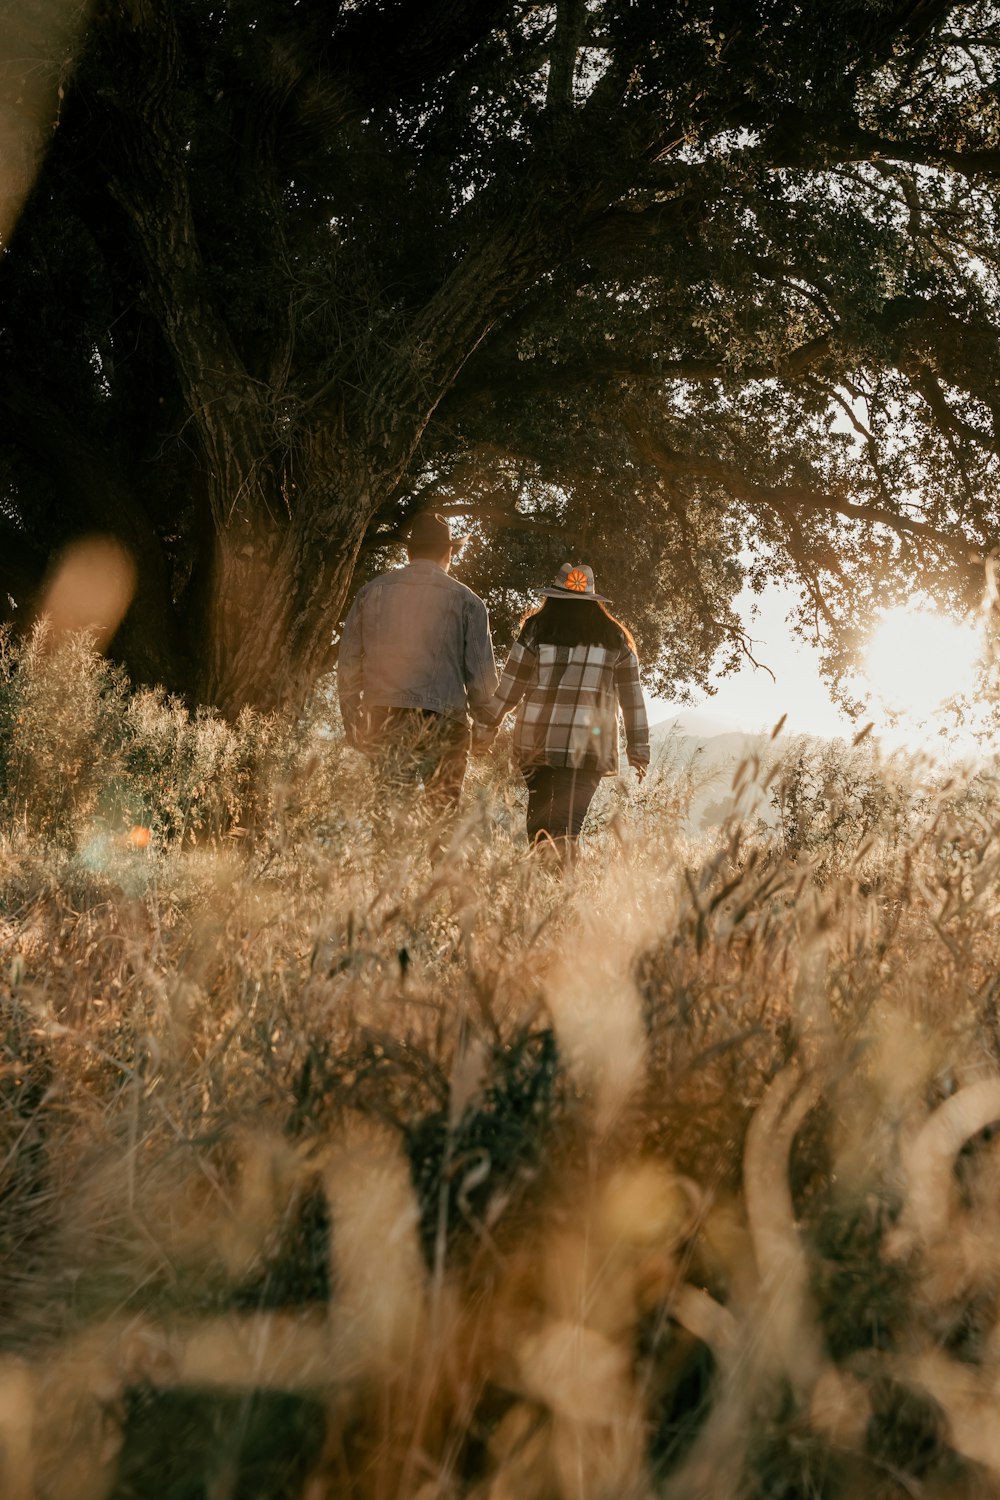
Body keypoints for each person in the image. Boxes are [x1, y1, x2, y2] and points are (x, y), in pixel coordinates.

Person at [475, 562, 649, 861]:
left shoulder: (536, 629)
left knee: (540, 827)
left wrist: (484, 731)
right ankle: (558, 894)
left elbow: (509, 690)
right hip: (589, 750)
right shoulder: (615, 639)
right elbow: (632, 699)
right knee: (566, 829)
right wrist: (639, 749)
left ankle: (541, 894)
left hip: (537, 744)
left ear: (553, 597)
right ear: (594, 602)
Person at [337, 511, 499, 817]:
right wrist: (484, 733)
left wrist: (353, 721)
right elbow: (482, 681)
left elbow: (348, 666)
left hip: (384, 718)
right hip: (446, 723)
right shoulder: (468, 602)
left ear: (409, 550)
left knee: (388, 820)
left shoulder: (371, 592)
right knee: (442, 821)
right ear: (448, 552)